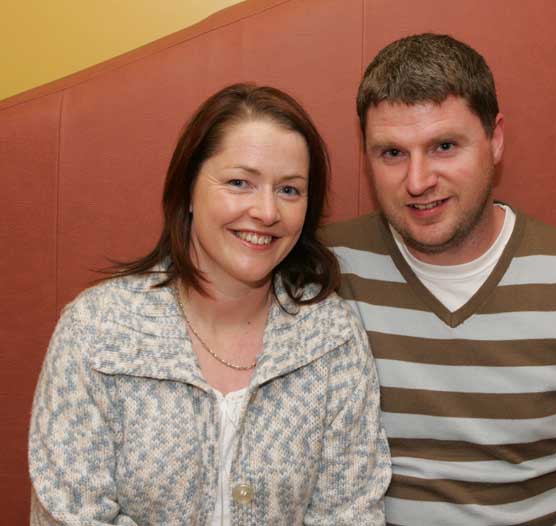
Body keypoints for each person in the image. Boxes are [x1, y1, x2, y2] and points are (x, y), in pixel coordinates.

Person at [322, 33, 556, 525]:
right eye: (391, 153)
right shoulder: (325, 271)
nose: (417, 181)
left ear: (495, 140)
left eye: (444, 146)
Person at [29, 83, 390, 525]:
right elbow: (68, 515)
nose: (266, 211)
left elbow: (350, 513)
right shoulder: (97, 329)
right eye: (240, 183)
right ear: (188, 190)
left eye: (290, 190)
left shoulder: (331, 339)